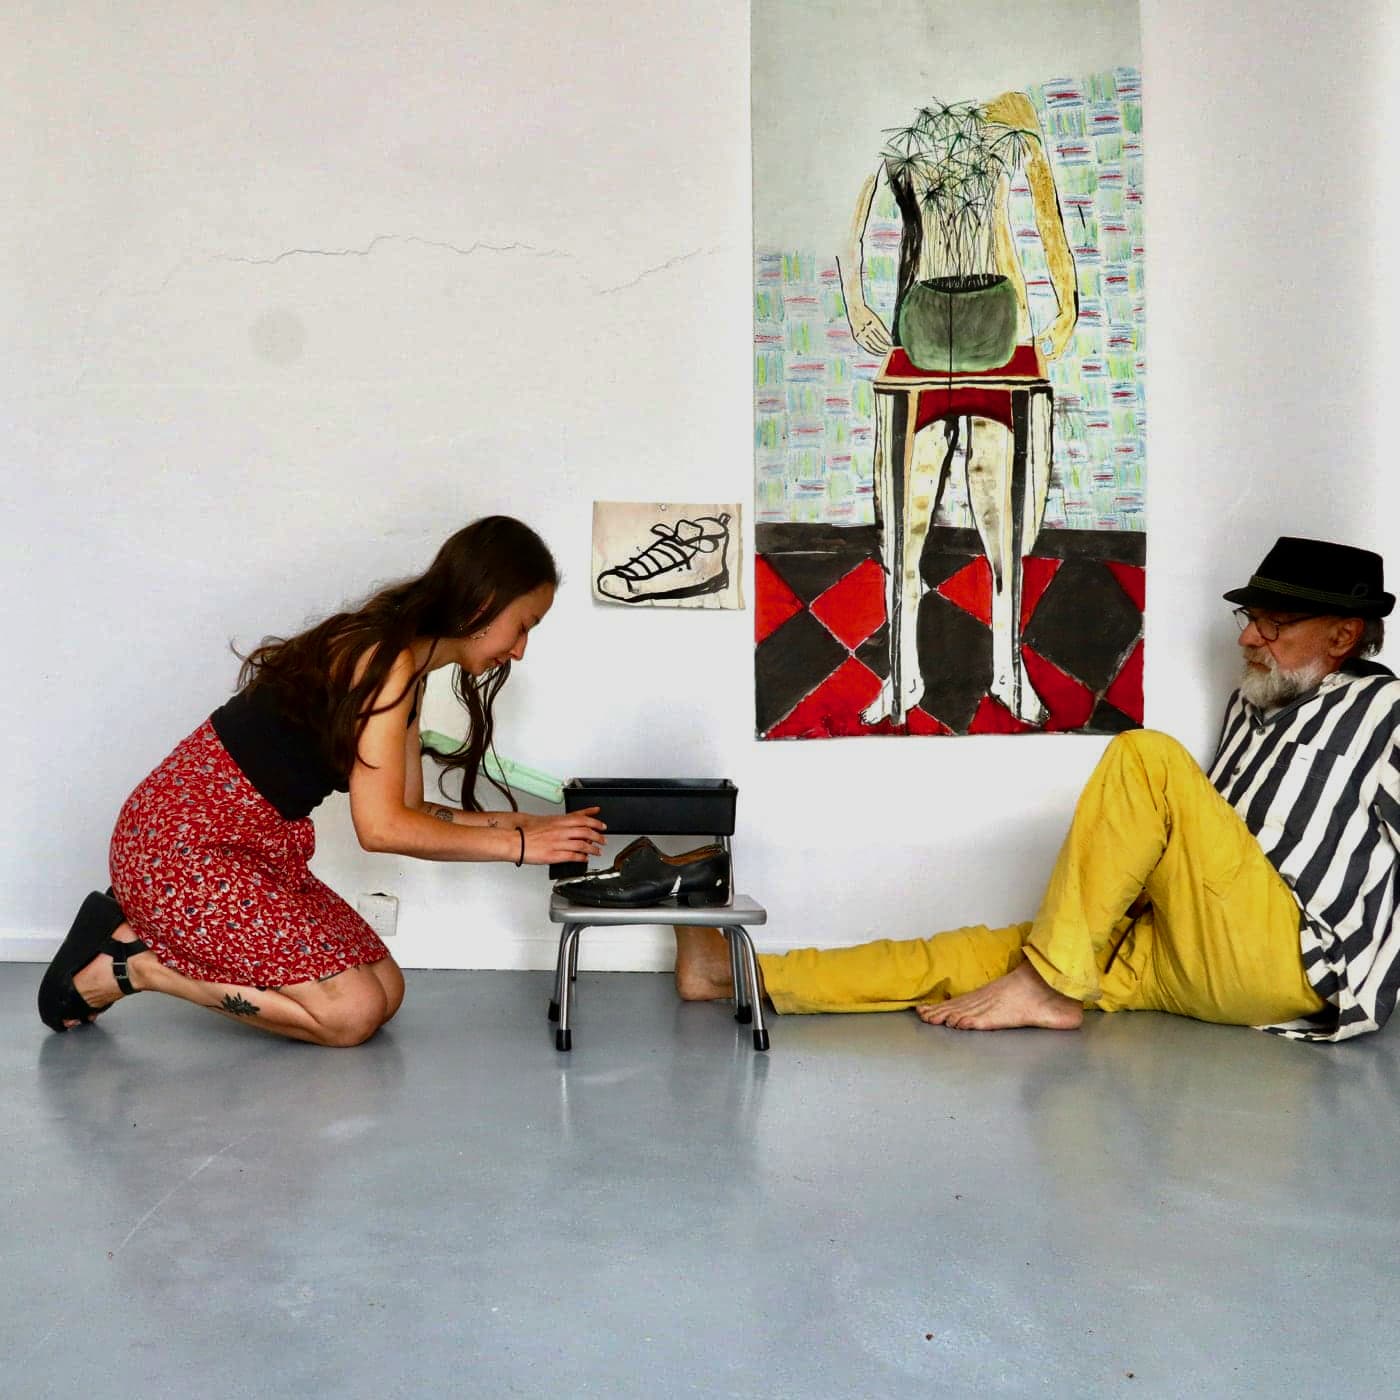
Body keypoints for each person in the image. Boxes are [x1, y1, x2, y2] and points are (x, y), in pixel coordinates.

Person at [677, 537, 1400, 1043]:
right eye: (1252, 619)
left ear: (1342, 636)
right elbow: (1201, 851)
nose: (1248, 638)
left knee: (1146, 755)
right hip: (1186, 949)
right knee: (978, 955)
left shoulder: (1387, 713)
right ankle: (735, 974)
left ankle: (1048, 988)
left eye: (1274, 624)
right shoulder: (1254, 701)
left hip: (1288, 958)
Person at [39, 516, 606, 1046]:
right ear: (484, 604)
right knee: (351, 1014)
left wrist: (524, 824)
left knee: (385, 990)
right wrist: (518, 847)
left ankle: (134, 944)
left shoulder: (406, 668)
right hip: (179, 849)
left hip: (252, 851)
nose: (520, 650)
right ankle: (133, 964)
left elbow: (411, 810)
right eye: (523, 626)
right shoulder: (383, 662)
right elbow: (381, 830)